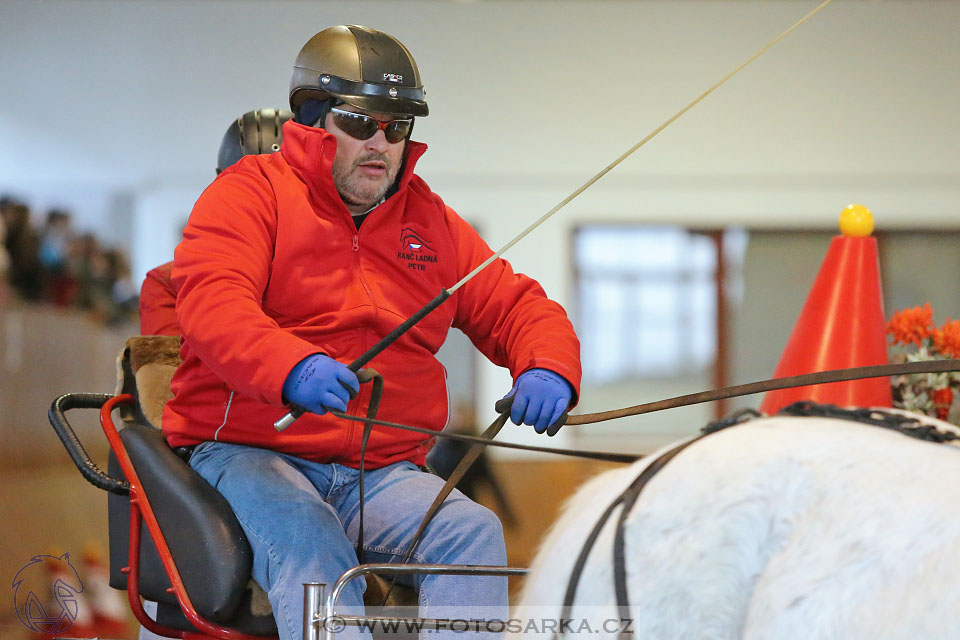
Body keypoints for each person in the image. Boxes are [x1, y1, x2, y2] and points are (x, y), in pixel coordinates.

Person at [163, 25, 581, 640]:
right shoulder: (248, 194)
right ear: (311, 117)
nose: (381, 142)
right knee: (309, 537)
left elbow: (514, 304)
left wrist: (547, 365)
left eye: (397, 125)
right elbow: (214, 304)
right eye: (360, 122)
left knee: (472, 532)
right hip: (253, 449)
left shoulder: (428, 218)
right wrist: (289, 368)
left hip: (379, 467)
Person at [139, 108, 293, 336]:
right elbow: (168, 369)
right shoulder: (169, 285)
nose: (269, 206)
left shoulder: (335, 275)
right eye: (251, 191)